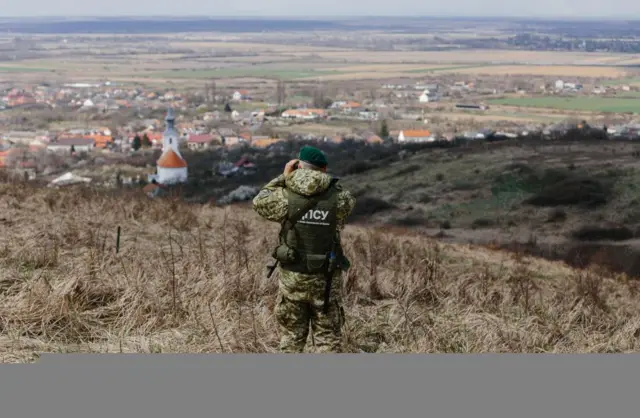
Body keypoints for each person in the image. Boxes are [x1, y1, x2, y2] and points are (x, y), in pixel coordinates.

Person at [252, 145, 356, 353]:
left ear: (298, 165)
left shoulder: (284, 195)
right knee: (328, 340)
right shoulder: (341, 198)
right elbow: (348, 203)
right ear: (324, 169)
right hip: (325, 280)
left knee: (291, 338)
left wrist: (284, 177)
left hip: (293, 278)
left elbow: (259, 201)